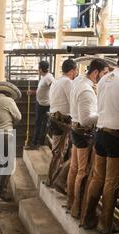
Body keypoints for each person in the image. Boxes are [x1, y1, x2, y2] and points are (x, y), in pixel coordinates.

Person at [81, 54, 119, 234]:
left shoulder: (104, 78)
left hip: (100, 134)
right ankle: (105, 224)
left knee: (98, 177)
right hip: (117, 137)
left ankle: (87, 218)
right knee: (111, 181)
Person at [67, 58, 109, 219]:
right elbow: (86, 120)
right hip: (82, 132)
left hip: (74, 128)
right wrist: (104, 114)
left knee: (74, 168)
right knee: (83, 172)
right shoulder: (87, 90)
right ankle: (77, 208)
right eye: (104, 73)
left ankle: (71, 202)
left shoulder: (78, 81)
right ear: (96, 72)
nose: (105, 77)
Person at [46, 59, 78, 189]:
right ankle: (53, 179)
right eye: (75, 70)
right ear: (72, 71)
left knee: (57, 151)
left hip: (54, 118)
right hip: (62, 120)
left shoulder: (56, 81)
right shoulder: (68, 82)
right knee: (59, 152)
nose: (76, 73)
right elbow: (73, 102)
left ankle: (51, 178)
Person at [26, 60, 55, 150]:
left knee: (41, 124)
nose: (38, 70)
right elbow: (41, 90)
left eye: (38, 68)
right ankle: (38, 143)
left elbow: (54, 87)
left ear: (41, 69)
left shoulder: (48, 78)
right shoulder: (44, 77)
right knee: (40, 124)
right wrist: (32, 92)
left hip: (45, 105)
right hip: (40, 103)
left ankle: (36, 144)